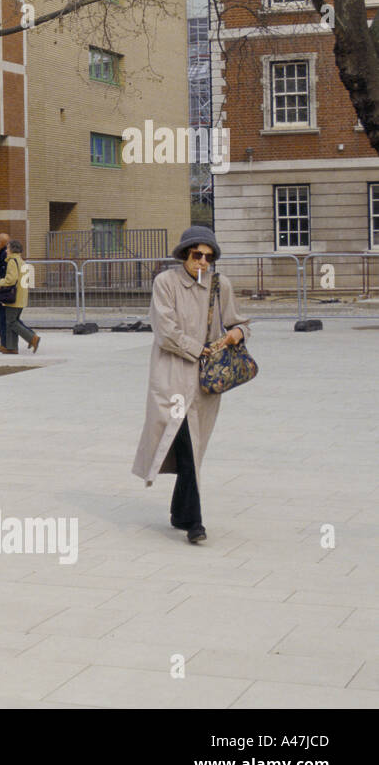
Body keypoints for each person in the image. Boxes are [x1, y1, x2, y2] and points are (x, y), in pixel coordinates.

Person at [133, 225, 250, 545]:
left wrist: (236, 334)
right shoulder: (165, 283)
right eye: (197, 254)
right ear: (185, 253)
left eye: (209, 257)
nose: (202, 262)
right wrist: (198, 348)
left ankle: (181, 513)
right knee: (183, 439)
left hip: (205, 382)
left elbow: (238, 321)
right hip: (172, 374)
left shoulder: (219, 285)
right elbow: (165, 331)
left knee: (193, 448)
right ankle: (194, 522)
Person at [0, 239, 39, 354]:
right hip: (21, 297)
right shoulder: (22, 261)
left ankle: (32, 337)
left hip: (13, 298)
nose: (6, 250)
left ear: (12, 249)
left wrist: (1, 282)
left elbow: (11, 279)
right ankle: (12, 347)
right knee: (12, 321)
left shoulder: (12, 261)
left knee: (11, 322)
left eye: (7, 248)